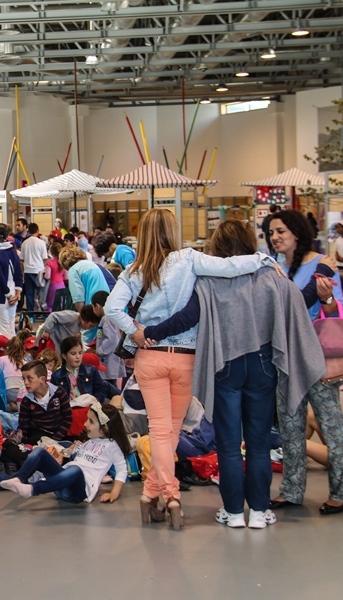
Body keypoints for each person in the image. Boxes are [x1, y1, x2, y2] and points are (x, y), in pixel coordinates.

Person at [137, 219, 325, 529]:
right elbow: (298, 301)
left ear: (218, 248)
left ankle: (234, 512)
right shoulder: (272, 276)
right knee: (259, 441)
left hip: (225, 367)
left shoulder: (209, 279)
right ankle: (261, 512)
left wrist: (151, 333)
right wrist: (322, 287)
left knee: (227, 444)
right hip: (264, 366)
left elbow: (186, 318)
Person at [105, 208, 278, 530]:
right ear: (172, 230)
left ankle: (155, 495)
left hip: (149, 357)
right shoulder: (189, 259)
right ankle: (167, 496)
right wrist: (264, 259)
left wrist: (135, 331)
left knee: (159, 431)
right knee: (171, 430)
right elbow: (229, 267)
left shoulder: (131, 271)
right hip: (185, 358)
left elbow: (112, 308)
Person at [268, 210, 343, 515]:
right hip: (283, 356)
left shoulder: (321, 265)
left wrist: (328, 299)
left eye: (281, 231)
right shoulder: (272, 267)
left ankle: (341, 493)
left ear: (297, 233)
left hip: (317, 357)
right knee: (290, 426)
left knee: (331, 425)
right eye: (272, 232)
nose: (275, 237)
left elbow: (338, 310)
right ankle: (291, 490)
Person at [0, 403, 130, 505]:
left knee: (76, 470)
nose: (85, 424)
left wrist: (114, 493)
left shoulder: (112, 446)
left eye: (91, 421)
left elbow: (122, 470)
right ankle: (19, 478)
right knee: (39, 451)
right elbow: (75, 459)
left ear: (105, 428)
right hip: (62, 484)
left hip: (79, 491)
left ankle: (33, 489)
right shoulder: (89, 441)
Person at [15, 360, 72, 443]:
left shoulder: (59, 393)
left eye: (30, 378)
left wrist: (55, 440)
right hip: (37, 438)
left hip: (59, 436)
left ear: (42, 379)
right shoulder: (26, 401)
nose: (26, 382)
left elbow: (67, 419)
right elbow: (24, 426)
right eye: (24, 379)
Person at [0, 224, 23, 338]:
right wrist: (18, 292)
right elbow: (18, 272)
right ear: (7, 235)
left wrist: (7, 294)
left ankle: (9, 355)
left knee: (4, 331)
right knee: (11, 328)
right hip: (13, 293)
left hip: (0, 295)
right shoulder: (13, 251)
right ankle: (16, 353)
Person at [51, 336, 110, 404]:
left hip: (89, 409)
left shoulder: (91, 371)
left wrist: (96, 401)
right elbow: (54, 398)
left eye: (80, 353)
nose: (78, 357)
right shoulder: (56, 376)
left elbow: (101, 389)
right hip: (68, 411)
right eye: (73, 353)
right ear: (64, 356)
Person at [59, 246, 109, 311]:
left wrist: (82, 315)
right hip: (106, 305)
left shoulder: (74, 269)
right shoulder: (93, 264)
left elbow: (78, 297)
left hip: (92, 309)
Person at [21, 223, 48, 312]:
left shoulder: (24, 243)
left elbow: (22, 259)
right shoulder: (41, 243)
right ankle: (43, 312)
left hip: (28, 271)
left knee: (29, 294)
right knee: (41, 293)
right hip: (39, 271)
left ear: (28, 231)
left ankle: (31, 314)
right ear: (38, 231)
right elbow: (45, 258)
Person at [44, 243, 66, 311]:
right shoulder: (63, 262)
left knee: (51, 305)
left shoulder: (50, 263)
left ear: (52, 252)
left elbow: (47, 276)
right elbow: (66, 277)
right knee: (61, 305)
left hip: (53, 286)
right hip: (62, 285)